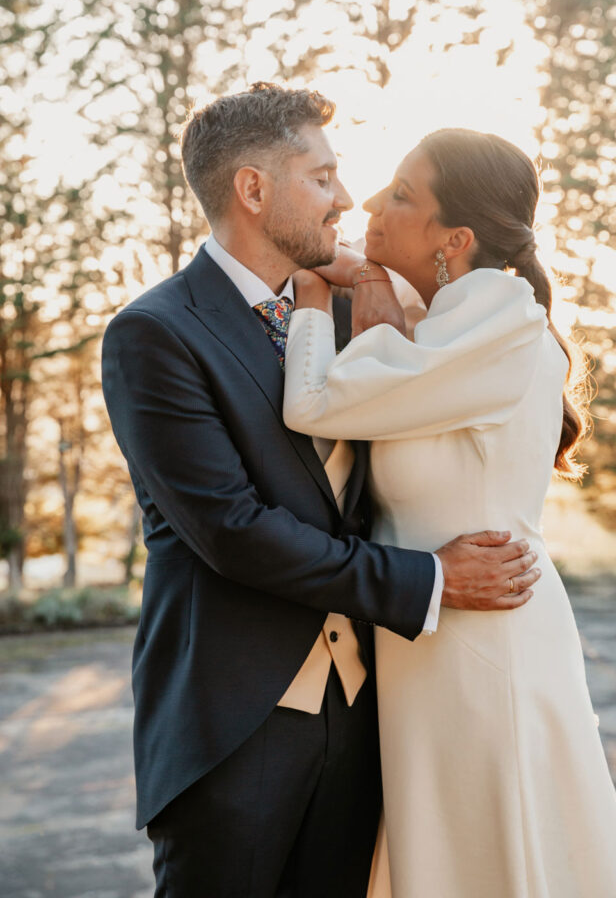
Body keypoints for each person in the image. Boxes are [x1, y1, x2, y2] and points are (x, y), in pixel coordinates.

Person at [100, 85, 540, 898]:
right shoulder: (157, 333)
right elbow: (233, 530)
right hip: (235, 725)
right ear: (254, 191)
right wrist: (433, 580)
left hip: (372, 721)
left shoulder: (348, 318)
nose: (346, 199)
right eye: (322, 176)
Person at [283, 127, 616, 898]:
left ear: (455, 238)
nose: (373, 205)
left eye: (402, 195)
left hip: (485, 646)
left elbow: (314, 402)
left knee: (493, 856)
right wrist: (378, 308)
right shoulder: (448, 329)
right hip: (428, 641)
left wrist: (316, 290)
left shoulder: (502, 324)